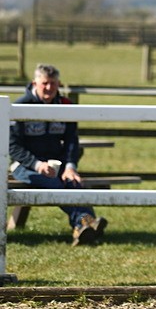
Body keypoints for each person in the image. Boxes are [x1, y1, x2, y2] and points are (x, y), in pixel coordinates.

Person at [8, 63, 107, 245]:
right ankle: (86, 222)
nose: (49, 88)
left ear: (58, 84)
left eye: (53, 83)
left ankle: (84, 228)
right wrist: (37, 165)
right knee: (54, 182)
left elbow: (71, 141)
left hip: (57, 165)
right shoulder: (20, 106)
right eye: (45, 83)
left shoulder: (66, 106)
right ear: (34, 83)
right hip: (24, 166)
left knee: (73, 181)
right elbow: (12, 146)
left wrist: (70, 166)